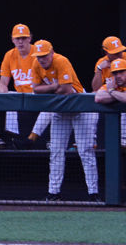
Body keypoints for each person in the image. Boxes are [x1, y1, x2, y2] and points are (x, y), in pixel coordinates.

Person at [28, 39, 99, 202]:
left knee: (85, 150)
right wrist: (54, 87)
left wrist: (49, 89)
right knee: (56, 151)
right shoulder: (36, 64)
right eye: (39, 56)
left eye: (44, 56)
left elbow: (66, 89)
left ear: (52, 53)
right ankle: (54, 192)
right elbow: (35, 89)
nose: (41, 59)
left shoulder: (61, 60)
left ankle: (93, 193)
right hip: (61, 110)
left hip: (79, 107)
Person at [0, 24, 48, 147]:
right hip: (19, 97)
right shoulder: (9, 55)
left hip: (38, 95)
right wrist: (4, 95)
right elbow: (3, 84)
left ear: (30, 38)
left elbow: (49, 80)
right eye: (17, 38)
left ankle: (35, 138)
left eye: (24, 38)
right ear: (12, 40)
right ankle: (13, 137)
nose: (20, 41)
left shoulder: (38, 52)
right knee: (8, 96)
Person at [91, 36, 126, 149]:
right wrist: (99, 69)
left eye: (120, 51)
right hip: (112, 94)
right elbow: (95, 88)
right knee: (91, 101)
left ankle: (124, 140)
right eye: (115, 53)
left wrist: (111, 89)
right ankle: (92, 140)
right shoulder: (101, 62)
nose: (119, 54)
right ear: (106, 52)